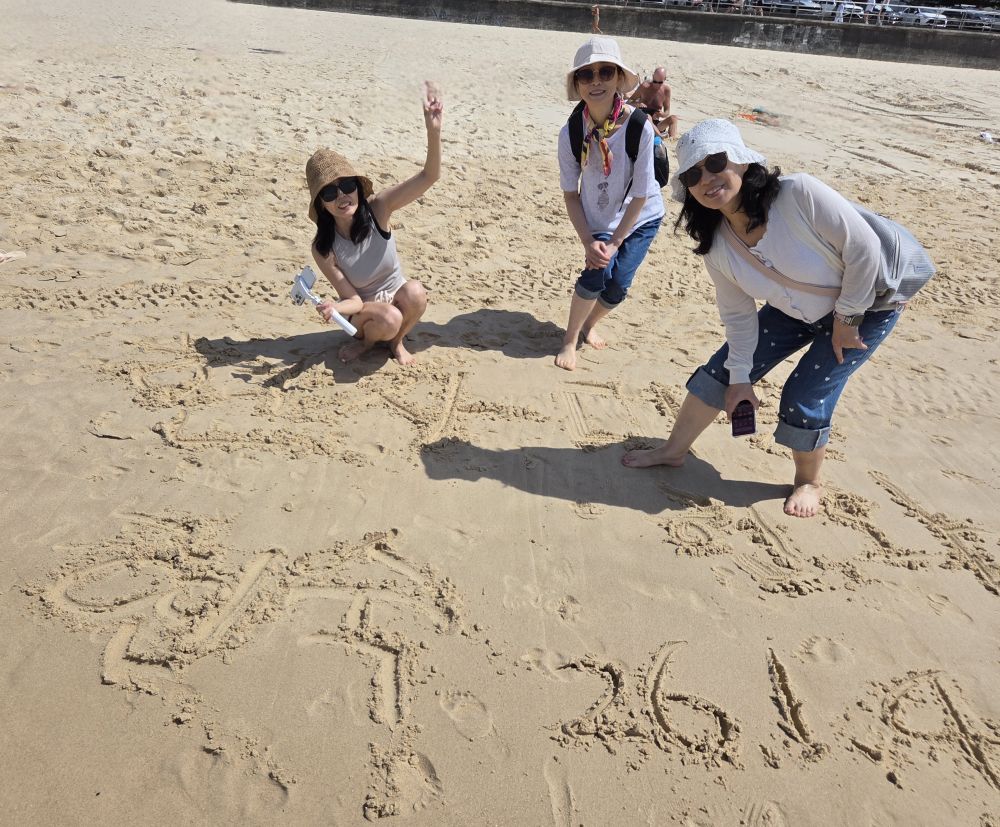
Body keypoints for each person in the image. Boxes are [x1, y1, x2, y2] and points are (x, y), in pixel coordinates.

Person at [623, 119, 907, 518]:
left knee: (804, 394)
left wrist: (847, 318)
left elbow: (864, 249)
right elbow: (738, 316)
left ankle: (809, 481)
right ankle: (673, 450)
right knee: (723, 370)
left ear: (741, 161)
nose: (707, 179)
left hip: (864, 309)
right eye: (693, 175)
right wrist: (741, 379)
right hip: (794, 310)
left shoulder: (799, 194)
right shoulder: (716, 245)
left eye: (715, 162)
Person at [305, 85, 442, 366]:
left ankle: (396, 341)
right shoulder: (323, 247)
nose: (342, 196)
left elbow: (429, 176)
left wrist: (433, 131)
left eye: (346, 185)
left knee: (416, 291)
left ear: (357, 186)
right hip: (363, 315)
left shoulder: (378, 208)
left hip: (398, 301)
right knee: (388, 317)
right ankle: (365, 344)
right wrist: (335, 307)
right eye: (329, 192)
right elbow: (354, 301)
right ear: (321, 204)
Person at [556, 36, 665, 371]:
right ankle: (569, 339)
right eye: (586, 74)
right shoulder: (571, 132)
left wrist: (616, 242)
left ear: (619, 78)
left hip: (642, 214)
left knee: (618, 286)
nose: (596, 81)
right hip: (600, 217)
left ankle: (589, 324)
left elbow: (642, 194)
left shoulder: (639, 126)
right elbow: (571, 194)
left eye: (605, 72)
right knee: (596, 275)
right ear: (578, 84)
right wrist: (589, 242)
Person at [628, 67, 679, 139]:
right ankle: (660, 136)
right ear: (653, 77)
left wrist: (662, 114)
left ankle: (672, 140)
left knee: (673, 118)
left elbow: (667, 111)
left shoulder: (666, 90)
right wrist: (638, 104)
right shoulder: (644, 86)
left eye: (660, 82)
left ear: (665, 79)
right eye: (655, 81)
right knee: (648, 116)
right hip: (642, 122)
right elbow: (629, 102)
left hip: (656, 124)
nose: (657, 85)